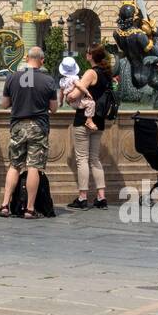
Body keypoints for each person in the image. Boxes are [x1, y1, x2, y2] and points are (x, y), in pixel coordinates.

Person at [0, 45, 57, 219]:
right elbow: (53, 109)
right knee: (34, 167)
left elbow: (4, 104)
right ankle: (30, 209)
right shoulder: (48, 81)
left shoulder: (12, 77)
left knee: (14, 165)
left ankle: (4, 205)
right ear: (42, 60)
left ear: (26, 59)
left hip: (17, 126)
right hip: (38, 127)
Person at [67, 45, 113, 210]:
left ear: (90, 56)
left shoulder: (90, 73)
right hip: (99, 120)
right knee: (95, 159)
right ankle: (101, 197)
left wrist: (67, 96)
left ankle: (83, 197)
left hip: (83, 120)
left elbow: (75, 96)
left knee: (82, 159)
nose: (85, 54)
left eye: (87, 52)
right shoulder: (106, 74)